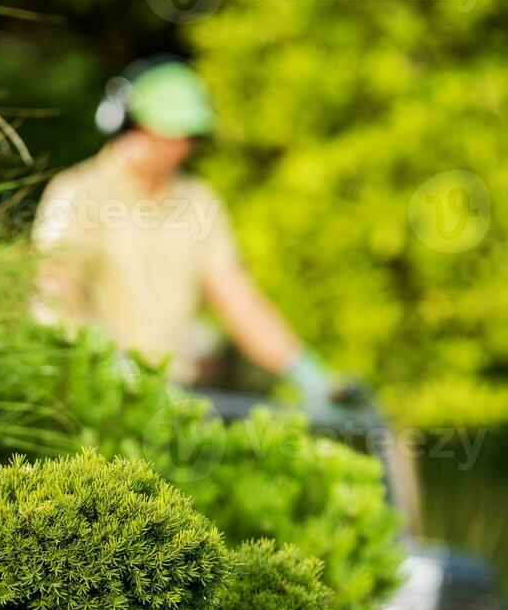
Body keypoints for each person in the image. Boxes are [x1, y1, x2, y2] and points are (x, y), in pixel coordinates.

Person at [32, 58, 341, 415]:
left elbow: (239, 300)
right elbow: (52, 296)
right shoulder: (78, 194)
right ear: (126, 122)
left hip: (171, 397)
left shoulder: (198, 201)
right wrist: (97, 362)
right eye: (165, 134)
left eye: (186, 137)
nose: (177, 148)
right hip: (86, 398)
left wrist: (304, 371)